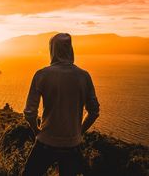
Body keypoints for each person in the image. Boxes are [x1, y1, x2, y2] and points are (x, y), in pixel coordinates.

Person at [22, 33, 100, 176]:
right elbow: (94, 111)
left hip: (45, 142)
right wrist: (79, 132)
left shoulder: (42, 75)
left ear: (52, 50)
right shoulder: (84, 76)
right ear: (70, 49)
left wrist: (36, 131)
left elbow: (30, 112)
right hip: (72, 145)